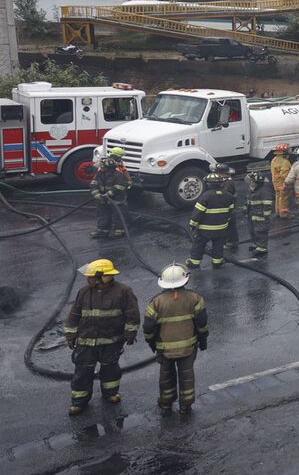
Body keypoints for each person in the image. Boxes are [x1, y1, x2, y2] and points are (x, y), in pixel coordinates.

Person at [65, 259, 140, 415]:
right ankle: (79, 402)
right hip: (86, 341)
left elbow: (132, 315)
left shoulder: (123, 291)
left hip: (111, 341)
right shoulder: (84, 291)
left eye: (91, 276)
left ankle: (110, 394)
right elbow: (74, 314)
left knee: (110, 369)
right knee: (82, 372)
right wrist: (70, 334)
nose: (88, 279)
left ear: (103, 277)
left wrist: (130, 333)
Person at [143, 263, 208, 415]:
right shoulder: (195, 298)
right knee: (187, 376)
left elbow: (148, 327)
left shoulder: (156, 302)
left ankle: (166, 403)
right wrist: (203, 339)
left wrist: (151, 343)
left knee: (166, 376)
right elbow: (202, 323)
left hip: (164, 349)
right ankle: (185, 406)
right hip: (188, 348)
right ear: (185, 280)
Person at [187, 173, 236, 269]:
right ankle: (217, 262)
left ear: (208, 184)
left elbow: (198, 212)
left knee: (199, 245)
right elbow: (230, 211)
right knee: (218, 246)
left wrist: (192, 224)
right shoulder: (229, 196)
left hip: (205, 229)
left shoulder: (205, 196)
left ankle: (194, 262)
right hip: (221, 228)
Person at [90, 149, 131, 238]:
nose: (100, 168)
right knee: (103, 214)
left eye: (102, 167)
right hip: (103, 199)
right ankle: (102, 230)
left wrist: (108, 194)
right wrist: (97, 195)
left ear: (109, 168)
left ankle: (119, 230)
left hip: (116, 199)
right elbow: (93, 184)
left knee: (118, 213)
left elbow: (119, 187)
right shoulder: (99, 174)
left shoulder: (118, 175)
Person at [245, 171, 274, 256]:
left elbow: (267, 204)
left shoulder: (264, 191)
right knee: (252, 230)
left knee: (261, 231)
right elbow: (249, 200)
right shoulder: (252, 189)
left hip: (261, 216)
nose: (250, 183)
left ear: (257, 182)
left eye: (251, 181)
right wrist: (246, 208)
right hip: (252, 214)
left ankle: (262, 248)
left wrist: (265, 216)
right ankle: (256, 245)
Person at [213, 163, 240, 254]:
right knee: (229, 225)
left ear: (222, 173)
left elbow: (225, 196)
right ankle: (231, 241)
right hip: (228, 206)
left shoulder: (227, 183)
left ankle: (230, 242)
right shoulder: (227, 181)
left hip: (228, 207)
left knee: (229, 225)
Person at [270, 143, 292, 218]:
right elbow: (284, 175)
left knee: (278, 197)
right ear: (284, 151)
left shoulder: (274, 160)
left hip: (275, 183)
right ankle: (284, 213)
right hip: (282, 183)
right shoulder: (285, 162)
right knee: (284, 198)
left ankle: (278, 212)